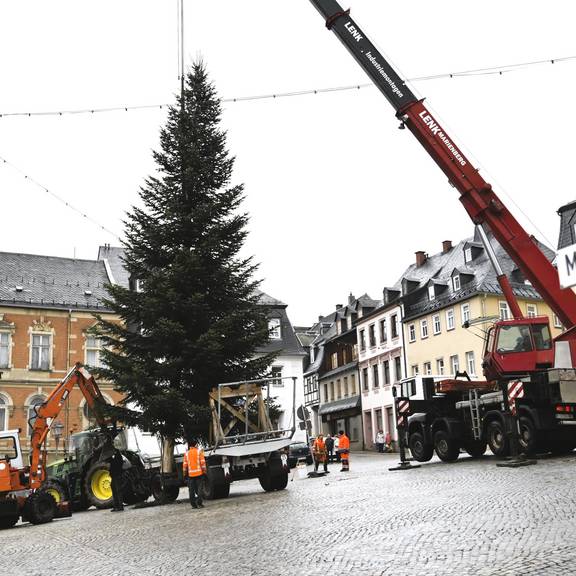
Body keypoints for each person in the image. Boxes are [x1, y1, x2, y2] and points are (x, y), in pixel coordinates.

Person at [183, 439, 207, 509]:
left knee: (191, 490)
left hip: (191, 475)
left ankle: (193, 504)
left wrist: (184, 474)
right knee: (199, 489)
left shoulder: (186, 454)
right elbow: (203, 463)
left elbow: (185, 465)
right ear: (195, 444)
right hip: (199, 474)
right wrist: (204, 472)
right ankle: (199, 502)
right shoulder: (199, 452)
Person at [108, 448, 124, 512]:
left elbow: (117, 465)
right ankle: (116, 506)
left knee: (118, 490)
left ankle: (120, 506)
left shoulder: (117, 457)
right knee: (115, 490)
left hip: (116, 475)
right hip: (114, 475)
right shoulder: (115, 457)